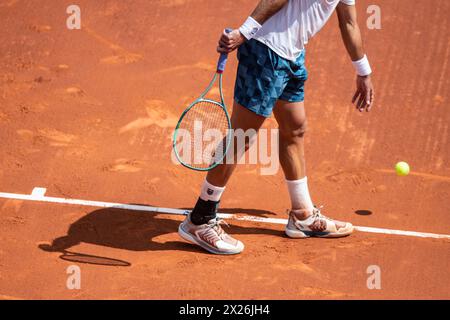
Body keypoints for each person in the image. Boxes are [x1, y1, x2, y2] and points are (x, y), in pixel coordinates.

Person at [178, 0, 375, 254]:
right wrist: (245, 32)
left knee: (294, 128)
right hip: (266, 52)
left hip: (292, 55)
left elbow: (348, 21)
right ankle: (200, 219)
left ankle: (302, 214)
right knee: (241, 136)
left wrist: (363, 71)